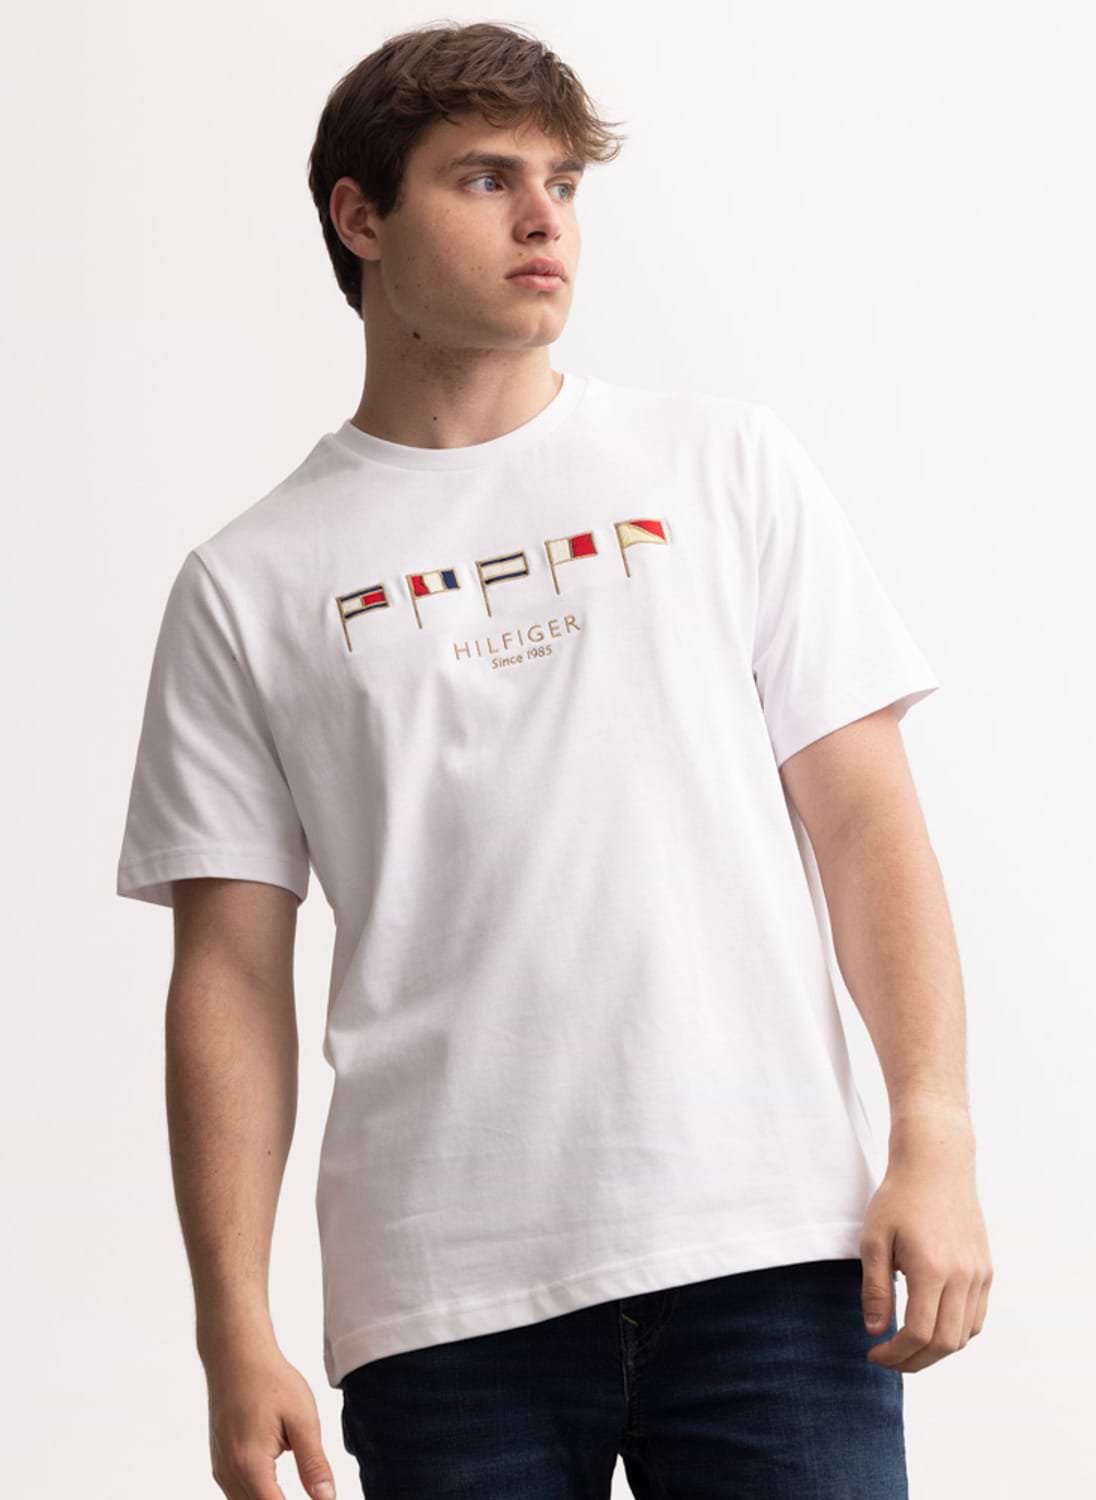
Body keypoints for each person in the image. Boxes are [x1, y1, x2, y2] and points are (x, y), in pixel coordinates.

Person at [115, 19, 992, 1500]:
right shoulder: (247, 581)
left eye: (565, 184)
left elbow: (866, 824)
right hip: (442, 1307)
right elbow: (229, 976)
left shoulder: (723, 465)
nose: (546, 220)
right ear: (360, 217)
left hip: (773, 1252)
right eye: (486, 179)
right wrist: (233, 1330)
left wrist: (936, 1131)